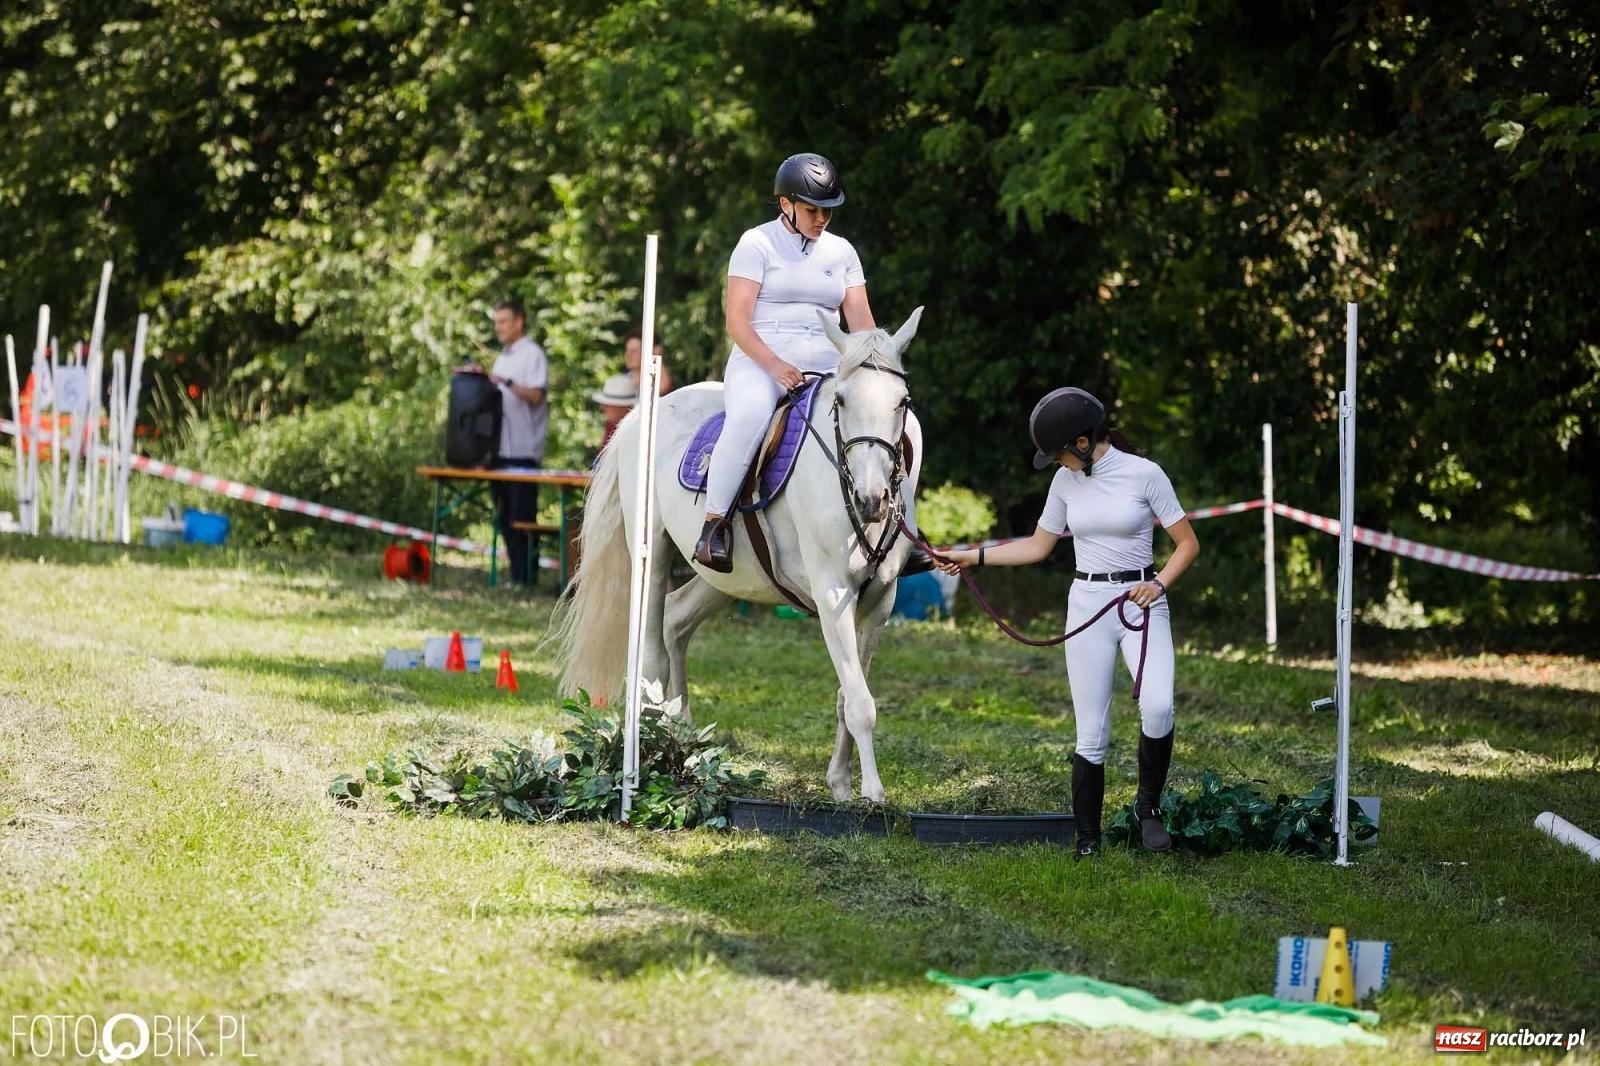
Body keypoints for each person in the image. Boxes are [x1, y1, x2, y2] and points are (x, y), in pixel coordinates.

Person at [936, 387, 1200, 859]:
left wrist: (1158, 585)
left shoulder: (1146, 474)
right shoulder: (1064, 483)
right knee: (1090, 732)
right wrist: (972, 557)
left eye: (1059, 453)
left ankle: (1148, 807)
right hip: (1087, 603)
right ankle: (1087, 840)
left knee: (1159, 707)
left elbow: (1187, 544)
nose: (1056, 463)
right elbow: (1038, 547)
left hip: (1141, 600)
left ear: (1082, 442)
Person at [692, 151, 931, 575]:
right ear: (786, 205)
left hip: (828, 364)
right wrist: (774, 365)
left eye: (828, 210)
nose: (821, 218)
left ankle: (903, 530)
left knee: (900, 422)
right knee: (749, 416)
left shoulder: (842, 252)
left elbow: (862, 326)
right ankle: (716, 524)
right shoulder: (756, 243)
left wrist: (876, 372)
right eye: (812, 209)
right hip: (759, 360)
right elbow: (737, 320)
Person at [488, 298, 549, 586]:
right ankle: (516, 576)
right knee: (504, 518)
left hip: (524, 452)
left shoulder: (532, 354)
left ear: (519, 322)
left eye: (502, 321)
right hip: (499, 451)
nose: (497, 327)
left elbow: (536, 395)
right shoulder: (503, 356)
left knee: (522, 519)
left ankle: (527, 578)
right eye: (495, 321)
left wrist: (507, 383)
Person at [590, 372, 637, 454]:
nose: (603, 407)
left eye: (608, 404)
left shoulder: (635, 430)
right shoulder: (611, 425)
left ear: (623, 406)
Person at [623, 328, 674, 394]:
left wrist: (656, 357)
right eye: (627, 350)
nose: (628, 355)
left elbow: (663, 387)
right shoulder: (623, 381)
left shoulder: (653, 381)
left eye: (634, 351)